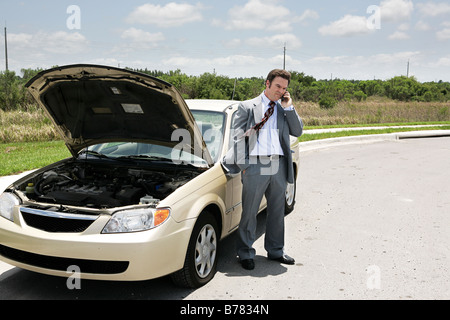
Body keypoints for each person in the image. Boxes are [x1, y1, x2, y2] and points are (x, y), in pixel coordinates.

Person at [221, 69, 304, 270]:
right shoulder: (248, 107)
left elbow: (298, 130)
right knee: (249, 212)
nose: (281, 91)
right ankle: (246, 252)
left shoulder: (284, 108)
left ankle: (276, 251)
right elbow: (238, 138)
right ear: (267, 83)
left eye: (284, 88)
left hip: (278, 166)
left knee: (277, 211)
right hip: (255, 166)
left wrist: (289, 107)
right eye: (278, 86)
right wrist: (245, 166)